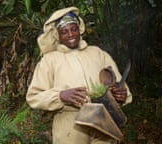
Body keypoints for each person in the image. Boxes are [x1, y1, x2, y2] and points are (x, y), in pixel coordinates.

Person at [26, 7, 132, 144]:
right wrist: (60, 96)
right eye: (64, 31)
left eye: (73, 29)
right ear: (57, 35)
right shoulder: (49, 60)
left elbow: (118, 83)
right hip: (70, 124)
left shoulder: (97, 53)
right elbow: (33, 97)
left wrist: (121, 95)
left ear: (80, 29)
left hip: (104, 120)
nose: (70, 35)